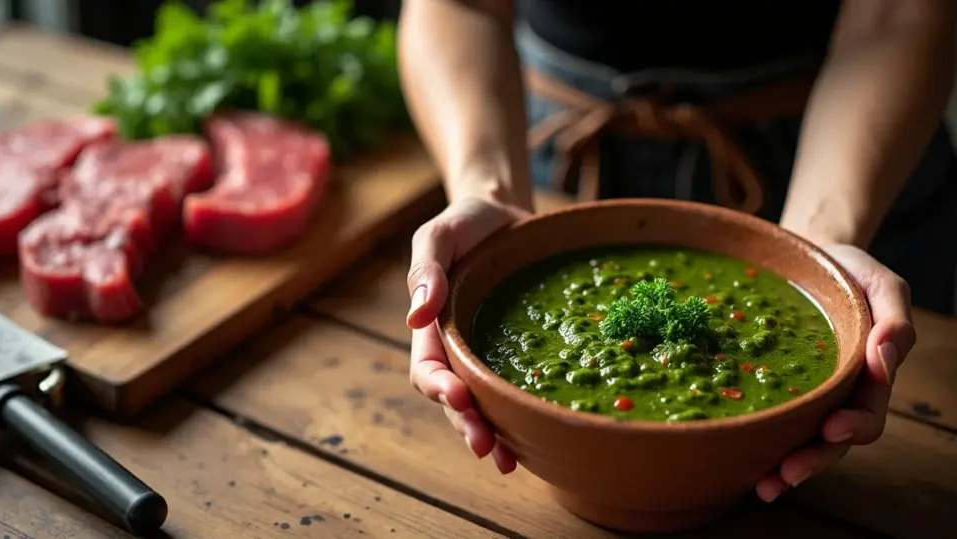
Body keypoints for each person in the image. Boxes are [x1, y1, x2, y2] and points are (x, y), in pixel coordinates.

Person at [399, 0, 956, 503]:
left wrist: (820, 247)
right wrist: (486, 196)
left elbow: (898, 12)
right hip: (545, 131)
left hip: (850, 144)